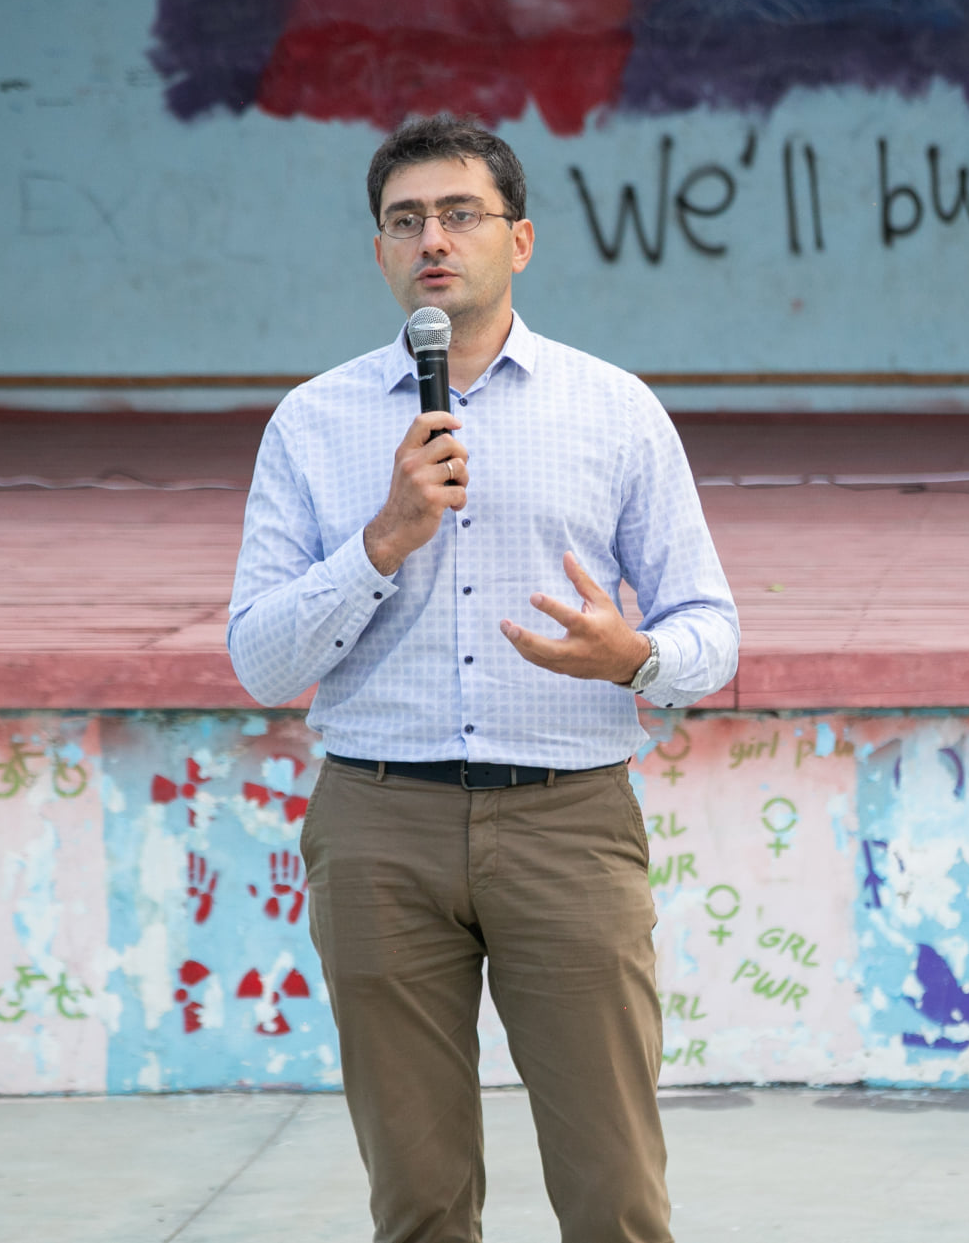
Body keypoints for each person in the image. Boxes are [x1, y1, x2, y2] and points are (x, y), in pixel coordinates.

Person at [226, 115, 739, 1243]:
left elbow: (712, 626)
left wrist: (637, 658)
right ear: (378, 250)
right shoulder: (312, 422)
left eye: (461, 213)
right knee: (418, 1197)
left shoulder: (613, 408)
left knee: (615, 1189)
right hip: (379, 825)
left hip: (567, 821)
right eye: (405, 219)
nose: (433, 239)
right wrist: (382, 539)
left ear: (522, 239)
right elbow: (260, 659)